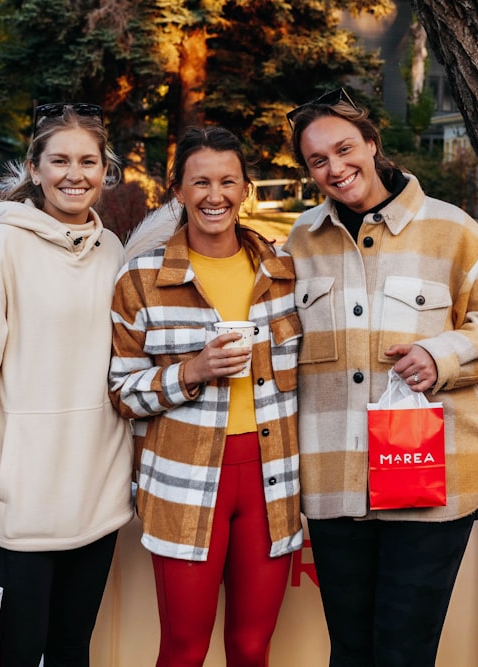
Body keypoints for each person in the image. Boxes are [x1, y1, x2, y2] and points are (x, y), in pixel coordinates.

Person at [284, 89, 478, 666]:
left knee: (403, 651)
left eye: (345, 148)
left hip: (433, 482)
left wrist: (440, 355)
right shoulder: (298, 243)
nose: (335, 168)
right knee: (349, 649)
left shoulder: (453, 229)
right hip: (334, 481)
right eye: (318, 160)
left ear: (371, 143)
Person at [0, 102, 134, 667]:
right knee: (19, 654)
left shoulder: (112, 249)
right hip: (19, 505)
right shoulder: (2, 248)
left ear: (105, 169)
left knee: (73, 652)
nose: (75, 174)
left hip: (97, 500)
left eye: (88, 161)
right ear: (34, 168)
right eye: (60, 160)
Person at [108, 126, 302, 667]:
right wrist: (190, 371)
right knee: (184, 649)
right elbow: (122, 393)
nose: (214, 195)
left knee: (250, 647)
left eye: (227, 181)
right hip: (184, 485)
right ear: (178, 191)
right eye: (200, 182)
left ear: (247, 191)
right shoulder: (141, 280)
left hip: (271, 481)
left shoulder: (283, 273)